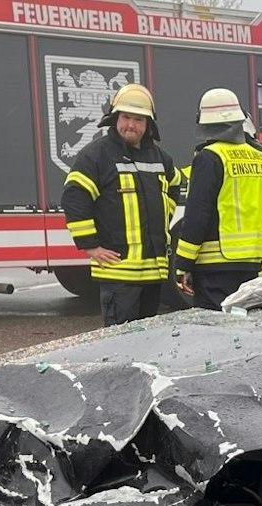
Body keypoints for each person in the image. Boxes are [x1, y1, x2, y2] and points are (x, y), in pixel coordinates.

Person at [61, 83, 183, 325]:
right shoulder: (97, 155)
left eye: (138, 119)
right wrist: (90, 246)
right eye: (126, 117)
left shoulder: (160, 157)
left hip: (153, 272)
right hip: (119, 275)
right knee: (119, 344)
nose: (131, 125)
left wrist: (162, 219)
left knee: (148, 342)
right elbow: (74, 197)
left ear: (149, 124)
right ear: (115, 118)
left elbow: (175, 184)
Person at [170, 88, 262, 310]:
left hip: (214, 270)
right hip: (254, 266)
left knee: (215, 333)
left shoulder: (209, 157)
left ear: (204, 123)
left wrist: (183, 264)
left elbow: (197, 215)